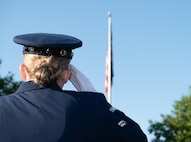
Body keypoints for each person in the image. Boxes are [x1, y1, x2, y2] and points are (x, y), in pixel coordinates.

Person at [0, 33, 148, 142]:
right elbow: (137, 139)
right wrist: (95, 98)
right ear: (67, 75)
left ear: (23, 71)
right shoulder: (91, 108)